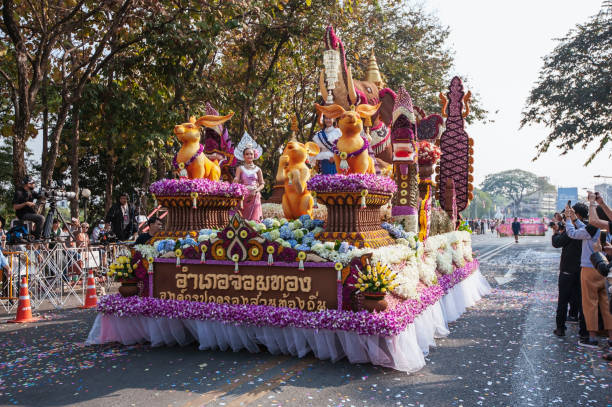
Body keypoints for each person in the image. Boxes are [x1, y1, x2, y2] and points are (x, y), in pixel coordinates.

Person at [564, 199, 612, 348]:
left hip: (589, 268)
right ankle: (610, 337)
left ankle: (591, 337)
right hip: (606, 269)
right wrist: (574, 218)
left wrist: (567, 220)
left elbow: (573, 233)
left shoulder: (591, 229)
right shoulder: (607, 229)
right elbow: (583, 227)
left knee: (590, 303)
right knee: (606, 304)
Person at [551, 214, 588, 339]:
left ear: (577, 215)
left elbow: (557, 243)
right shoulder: (588, 228)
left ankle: (560, 328)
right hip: (582, 269)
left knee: (563, 300)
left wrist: (556, 232)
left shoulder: (572, 230)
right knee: (581, 300)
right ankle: (583, 331)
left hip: (568, 270)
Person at [233, 133, 264, 221]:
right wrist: (235, 181)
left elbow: (262, 184)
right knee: (243, 219)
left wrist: (256, 191)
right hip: (243, 196)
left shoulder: (258, 169)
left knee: (254, 220)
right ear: (243, 156)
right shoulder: (240, 168)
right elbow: (236, 180)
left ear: (254, 155)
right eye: (247, 154)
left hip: (255, 195)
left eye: (251, 154)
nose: (249, 156)